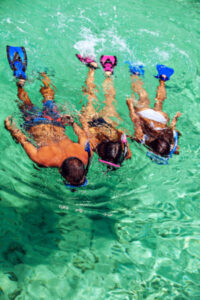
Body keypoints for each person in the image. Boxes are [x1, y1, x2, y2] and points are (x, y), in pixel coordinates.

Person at [5, 46, 92, 188]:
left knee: (49, 98)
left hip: (56, 122)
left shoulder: (84, 154)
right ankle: (20, 84)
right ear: (62, 174)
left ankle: (44, 75)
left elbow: (82, 134)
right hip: (34, 125)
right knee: (25, 102)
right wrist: (10, 127)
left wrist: (73, 123)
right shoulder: (43, 160)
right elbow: (22, 139)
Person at [75, 54, 131, 169]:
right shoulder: (93, 145)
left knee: (110, 98)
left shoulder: (125, 152)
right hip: (92, 124)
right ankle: (92, 68)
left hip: (109, 126)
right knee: (90, 95)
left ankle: (108, 73)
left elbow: (123, 133)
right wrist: (77, 119)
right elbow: (83, 130)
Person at [126, 63, 182, 164]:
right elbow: (136, 121)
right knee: (142, 96)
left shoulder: (172, 143)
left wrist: (175, 118)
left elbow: (173, 128)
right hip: (146, 116)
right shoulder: (143, 140)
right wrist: (130, 107)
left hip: (162, 118)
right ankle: (136, 73)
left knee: (159, 101)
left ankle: (163, 79)